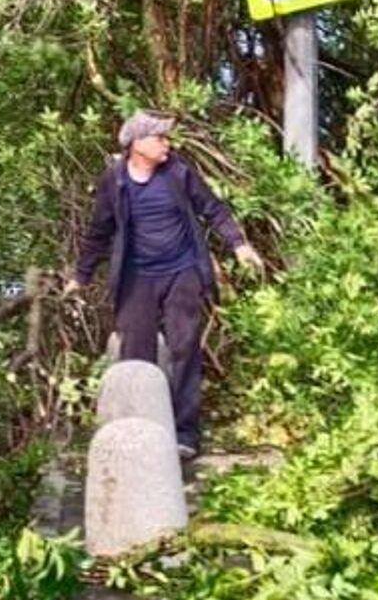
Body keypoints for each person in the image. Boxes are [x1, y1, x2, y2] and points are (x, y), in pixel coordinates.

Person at [68, 111, 264, 459]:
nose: (167, 145)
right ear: (138, 145)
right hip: (137, 278)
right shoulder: (114, 182)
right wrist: (80, 276)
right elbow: (99, 232)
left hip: (181, 271)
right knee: (136, 355)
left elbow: (213, 208)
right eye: (160, 138)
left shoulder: (177, 171)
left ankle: (186, 434)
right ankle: (141, 432)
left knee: (185, 348)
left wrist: (239, 244)